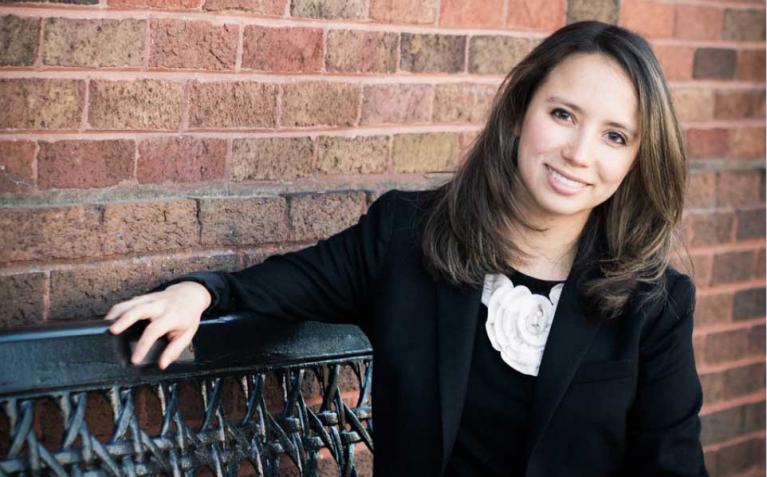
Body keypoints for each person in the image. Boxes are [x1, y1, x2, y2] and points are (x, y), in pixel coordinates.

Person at [106, 20, 708, 477]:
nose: (580, 152)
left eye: (614, 135)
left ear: (635, 158)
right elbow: (283, 282)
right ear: (521, 113)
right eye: (562, 114)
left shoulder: (656, 304)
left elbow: (671, 463)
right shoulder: (408, 235)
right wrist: (197, 292)